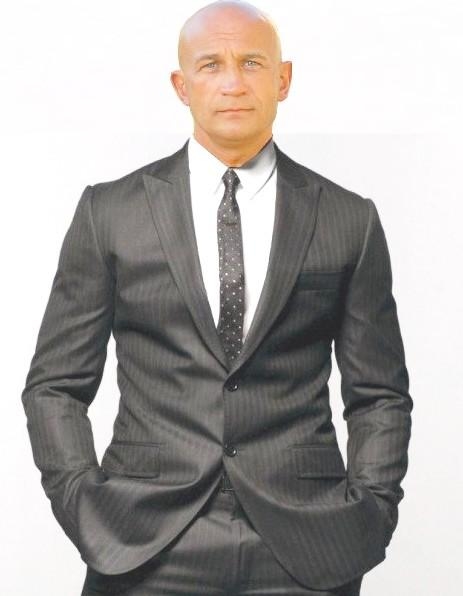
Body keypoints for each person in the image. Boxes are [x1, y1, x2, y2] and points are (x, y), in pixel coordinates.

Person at [21, 1, 413, 595]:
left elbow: (380, 393)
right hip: (142, 541)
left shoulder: (348, 219)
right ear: (181, 85)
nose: (233, 82)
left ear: (283, 79)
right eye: (210, 65)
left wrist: (372, 507)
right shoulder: (110, 212)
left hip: (307, 544)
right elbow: (54, 384)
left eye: (252, 62)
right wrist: (80, 499)